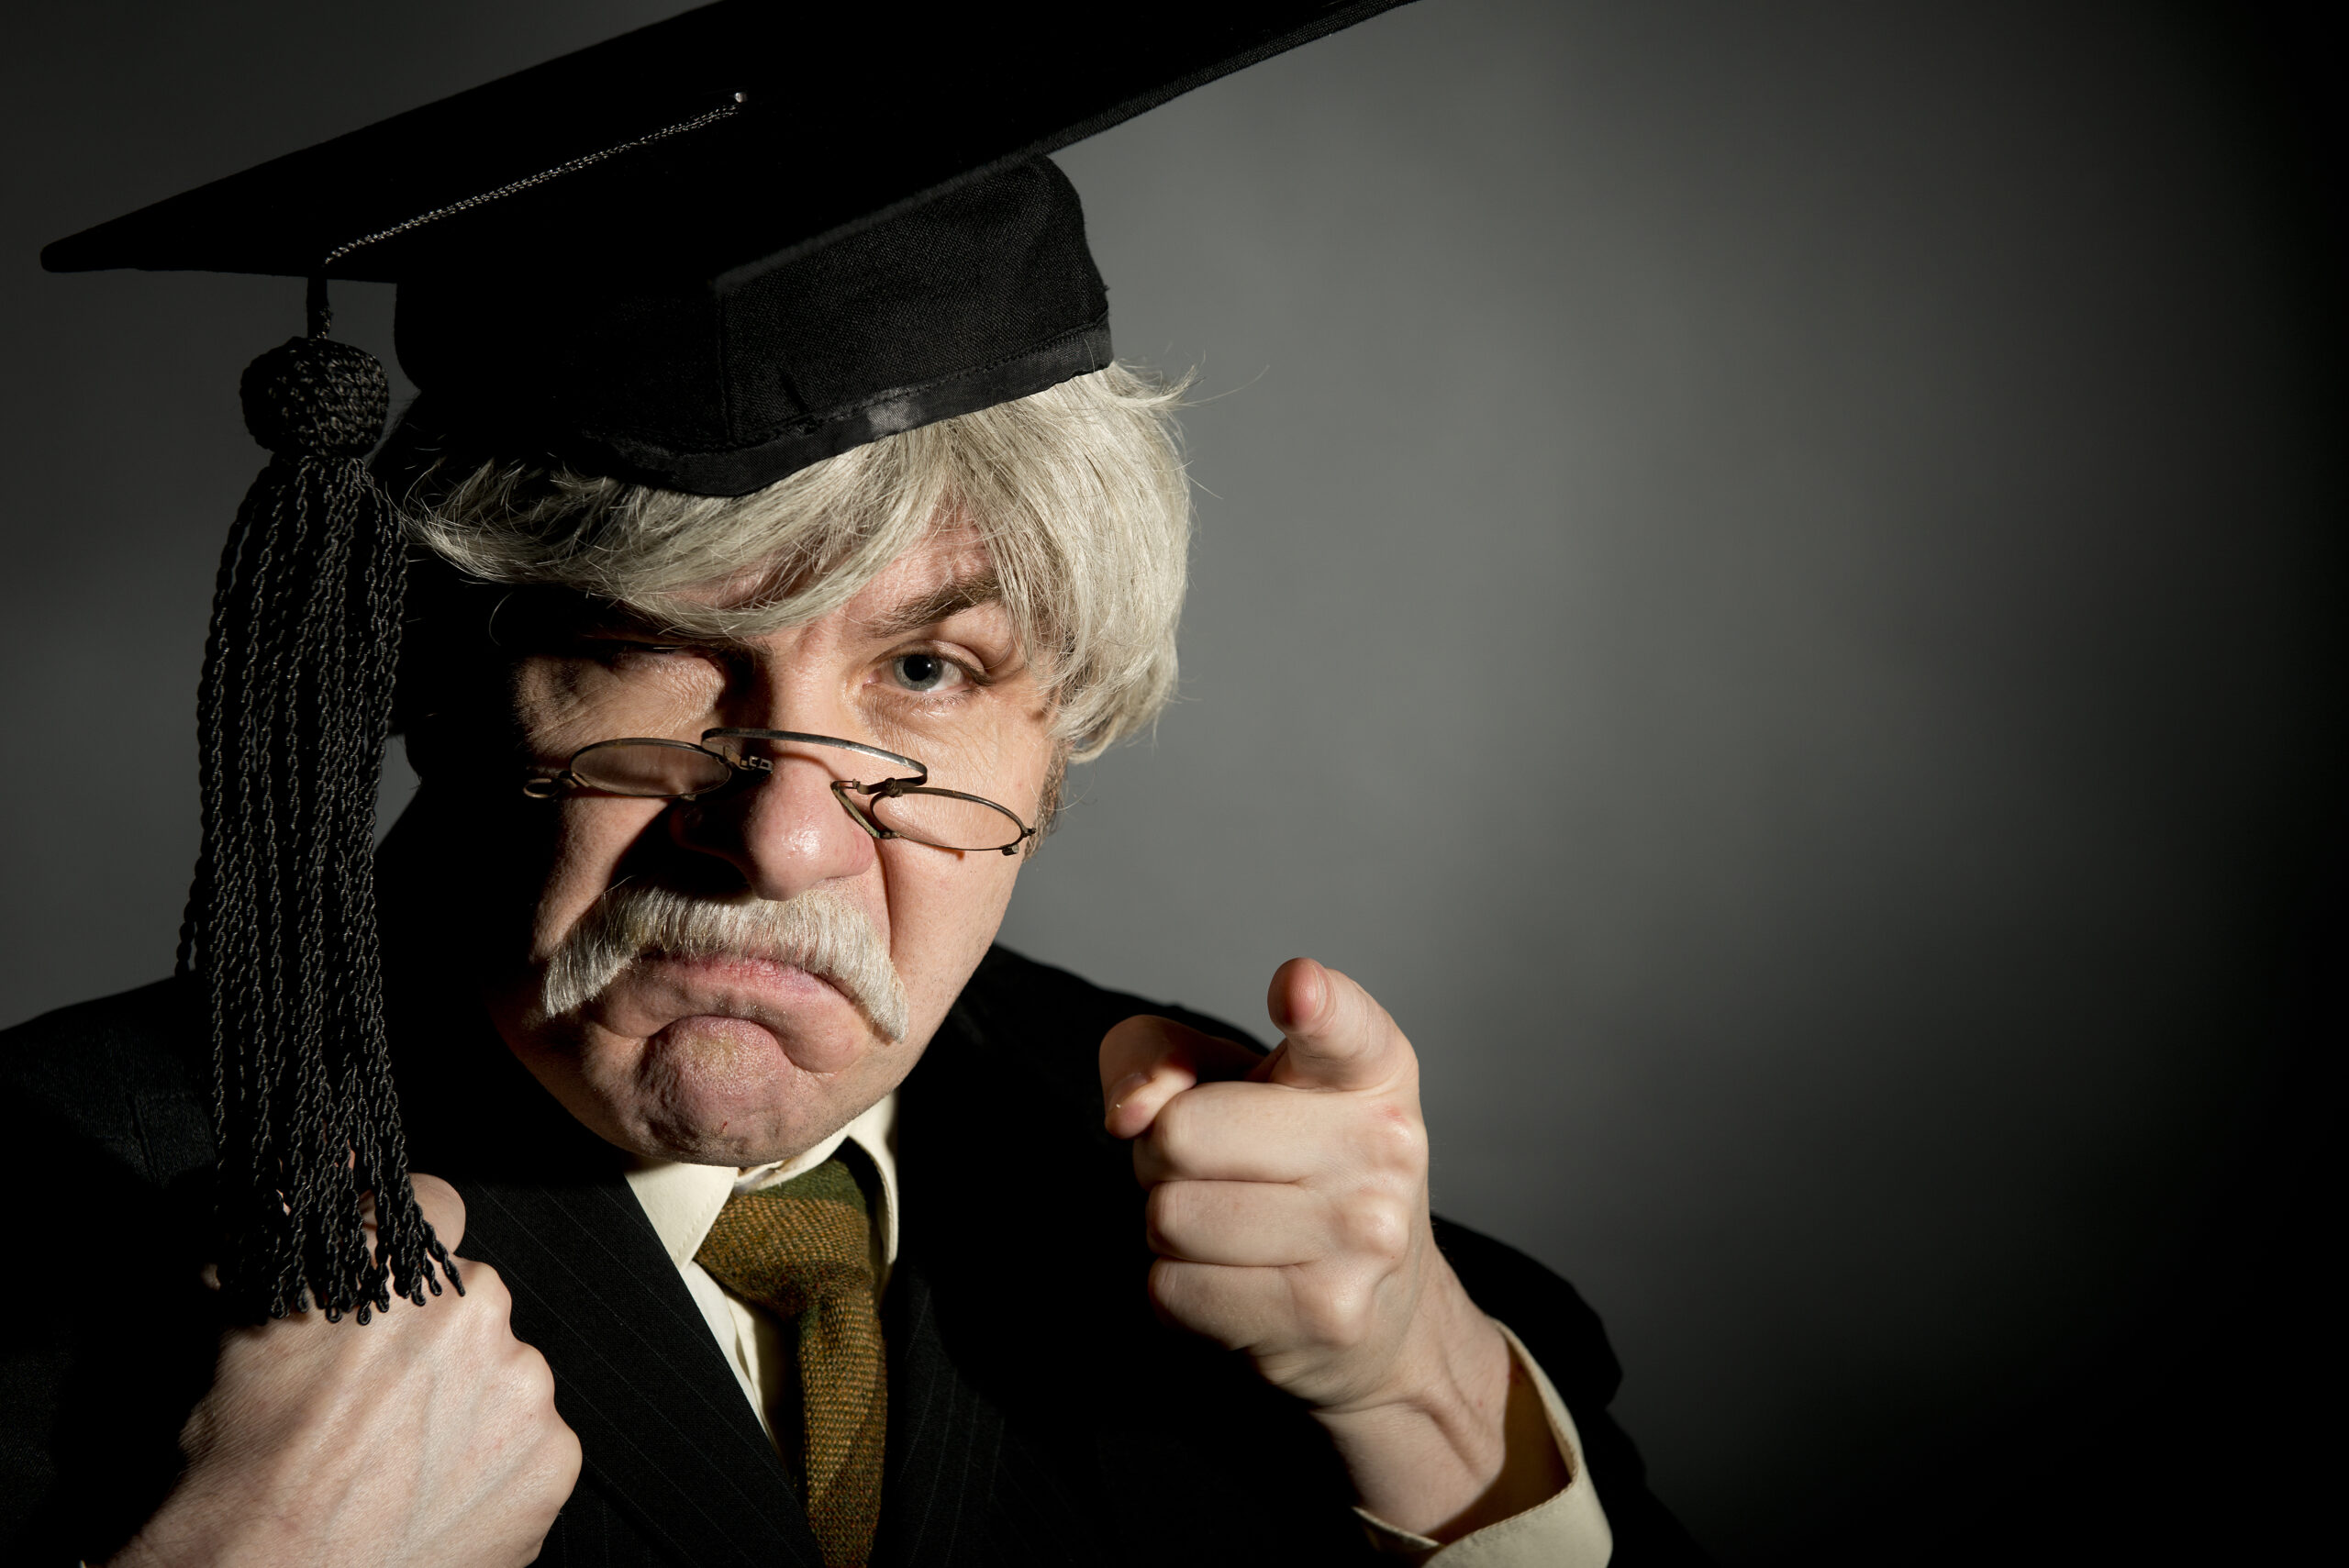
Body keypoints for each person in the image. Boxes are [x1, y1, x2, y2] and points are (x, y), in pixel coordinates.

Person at [1, 5, 1706, 1563]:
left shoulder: (1242, 1211)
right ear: (437, 680)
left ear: (1065, 727)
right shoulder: (43, 1215)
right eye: (649, 649)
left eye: (926, 670)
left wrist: (1417, 1387)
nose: (785, 835)